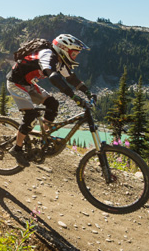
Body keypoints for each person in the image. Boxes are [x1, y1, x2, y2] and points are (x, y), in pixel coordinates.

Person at [5, 33, 93, 166]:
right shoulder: (47, 54)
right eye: (74, 54)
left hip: (28, 84)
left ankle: (43, 138)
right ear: (64, 49)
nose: (75, 57)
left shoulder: (60, 61)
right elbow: (52, 76)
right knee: (31, 116)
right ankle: (16, 149)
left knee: (53, 103)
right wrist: (73, 96)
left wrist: (88, 93)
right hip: (16, 83)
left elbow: (71, 79)